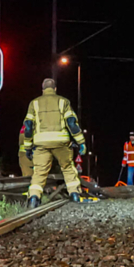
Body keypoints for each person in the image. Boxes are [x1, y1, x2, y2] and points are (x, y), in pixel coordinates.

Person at [23, 78, 88, 208]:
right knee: (68, 167)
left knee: (39, 172)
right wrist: (81, 141)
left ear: (42, 89)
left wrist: (28, 146)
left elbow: (28, 126)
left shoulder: (34, 103)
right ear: (55, 89)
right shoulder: (63, 102)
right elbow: (71, 124)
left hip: (41, 143)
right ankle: (74, 194)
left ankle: (34, 197)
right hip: (61, 142)